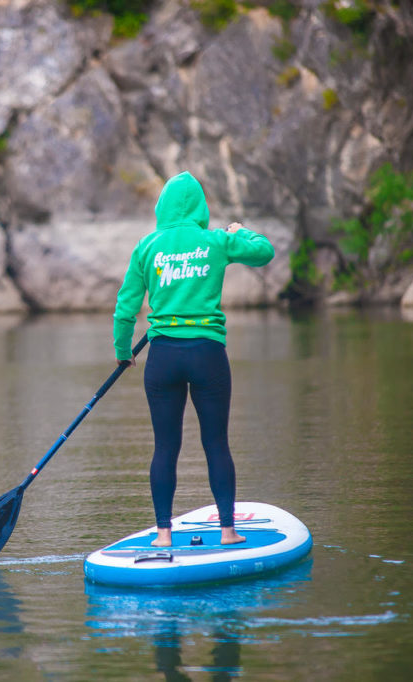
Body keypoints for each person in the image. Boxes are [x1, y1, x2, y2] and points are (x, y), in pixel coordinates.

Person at [112, 171, 274, 548]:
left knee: (165, 446)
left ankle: (163, 535)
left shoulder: (148, 246)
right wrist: (239, 231)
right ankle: (228, 531)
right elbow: (263, 250)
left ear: (162, 207)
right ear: (201, 207)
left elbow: (125, 308)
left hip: (163, 355)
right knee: (216, 443)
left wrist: (123, 353)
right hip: (207, 355)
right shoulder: (215, 241)